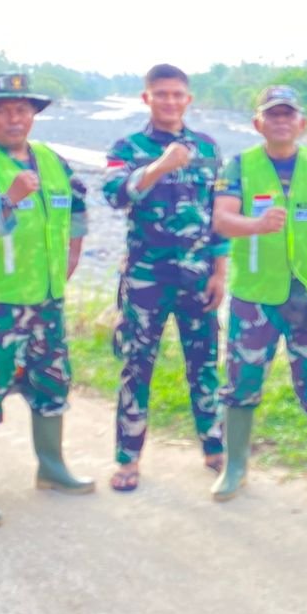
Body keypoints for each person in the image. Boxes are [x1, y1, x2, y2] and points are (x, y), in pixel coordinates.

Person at [0, 73, 95, 528]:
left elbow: (77, 208)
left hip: (45, 303)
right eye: (5, 109)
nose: (16, 117)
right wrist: (8, 200)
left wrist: (71, 257)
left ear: (34, 115)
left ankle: (51, 468)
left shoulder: (51, 160)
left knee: (52, 384)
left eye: (24, 108)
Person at [211, 85, 307, 503]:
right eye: (272, 115)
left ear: (302, 123)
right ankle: (235, 466)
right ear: (258, 123)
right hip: (255, 297)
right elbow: (222, 220)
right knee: (241, 385)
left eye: (288, 114)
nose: (281, 121)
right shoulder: (240, 166)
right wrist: (254, 225)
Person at [101, 63, 229, 493]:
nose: (170, 101)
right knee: (137, 367)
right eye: (161, 94)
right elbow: (115, 195)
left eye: (177, 94)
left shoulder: (208, 149)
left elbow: (220, 218)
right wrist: (160, 165)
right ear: (147, 99)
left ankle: (215, 448)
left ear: (188, 99)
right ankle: (128, 458)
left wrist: (220, 273)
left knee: (205, 366)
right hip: (145, 279)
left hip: (197, 278)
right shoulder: (129, 146)